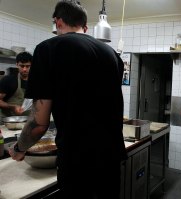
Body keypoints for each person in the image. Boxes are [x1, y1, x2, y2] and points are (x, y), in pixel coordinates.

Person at [9, 1, 127, 198]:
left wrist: (19, 148)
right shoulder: (112, 54)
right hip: (111, 157)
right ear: (85, 26)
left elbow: (38, 123)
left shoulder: (48, 49)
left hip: (78, 161)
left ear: (58, 22)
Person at [0, 51, 33, 118]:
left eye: (27, 66)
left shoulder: (35, 82)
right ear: (17, 64)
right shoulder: (8, 80)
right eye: (22, 66)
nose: (24, 69)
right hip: (8, 121)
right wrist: (12, 107)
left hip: (27, 121)